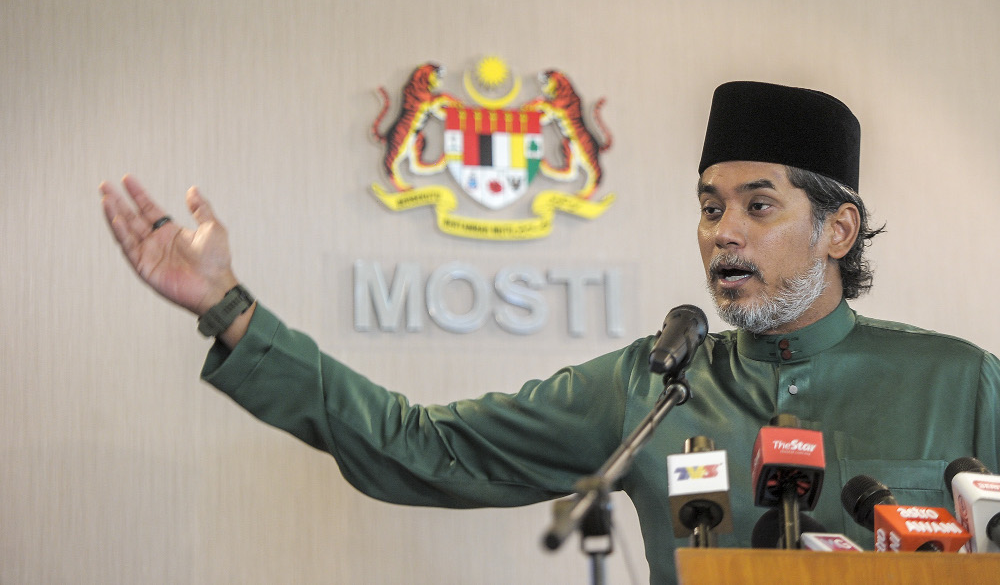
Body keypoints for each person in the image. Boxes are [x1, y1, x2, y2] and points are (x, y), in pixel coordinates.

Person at [100, 81, 1000, 584]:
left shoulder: (962, 382)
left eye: (758, 206)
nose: (723, 231)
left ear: (836, 231)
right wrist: (229, 310)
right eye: (709, 206)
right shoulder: (655, 387)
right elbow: (424, 448)